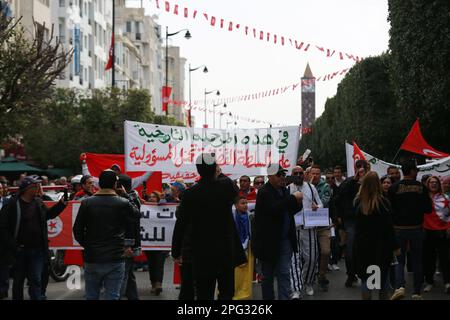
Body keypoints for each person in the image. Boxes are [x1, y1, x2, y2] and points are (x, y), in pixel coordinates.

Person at [172, 153, 246, 300]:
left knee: (204, 293)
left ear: (198, 170)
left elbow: (181, 223)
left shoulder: (190, 194)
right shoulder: (226, 186)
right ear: (215, 169)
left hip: (201, 253)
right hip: (225, 251)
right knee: (226, 292)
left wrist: (176, 251)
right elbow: (234, 189)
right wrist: (217, 171)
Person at [73, 169, 137, 300]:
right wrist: (125, 195)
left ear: (99, 184)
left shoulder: (87, 202)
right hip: (115, 257)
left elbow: (77, 230)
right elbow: (136, 214)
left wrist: (88, 245)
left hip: (92, 257)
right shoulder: (122, 202)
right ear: (115, 184)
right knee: (112, 296)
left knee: (91, 295)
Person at [0, 175, 67, 300]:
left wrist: (61, 205)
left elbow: (48, 215)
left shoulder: (38, 202)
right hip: (19, 251)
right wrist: (12, 245)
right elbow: (2, 227)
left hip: (38, 250)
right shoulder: (12, 204)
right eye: (35, 186)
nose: (38, 188)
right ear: (27, 188)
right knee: (18, 281)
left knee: (36, 279)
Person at [252, 163, 303, 300]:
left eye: (283, 174)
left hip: (285, 239)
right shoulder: (264, 192)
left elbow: (290, 210)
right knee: (267, 276)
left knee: (284, 273)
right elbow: (274, 209)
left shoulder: (284, 190)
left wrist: (298, 202)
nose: (282, 177)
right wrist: (293, 198)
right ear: (270, 176)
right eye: (279, 174)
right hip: (268, 242)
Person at [388, 160, 432, 300]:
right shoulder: (421, 187)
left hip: (398, 229)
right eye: (416, 170)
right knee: (417, 260)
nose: (417, 172)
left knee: (399, 260)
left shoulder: (393, 187)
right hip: (416, 229)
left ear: (402, 171)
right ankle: (417, 292)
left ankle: (400, 287)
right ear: (412, 171)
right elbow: (428, 209)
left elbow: (389, 209)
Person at [353, 172, 400, 300]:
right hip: (381, 246)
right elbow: (388, 228)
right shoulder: (383, 203)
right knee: (382, 278)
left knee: (366, 278)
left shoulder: (358, 203)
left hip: (363, 246)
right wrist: (395, 246)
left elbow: (357, 228)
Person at [335, 159, 370, 287]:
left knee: (370, 250)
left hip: (368, 220)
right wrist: (354, 179)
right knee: (350, 250)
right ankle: (351, 274)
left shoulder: (371, 181)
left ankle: (370, 277)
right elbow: (340, 193)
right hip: (352, 220)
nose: (361, 169)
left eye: (363, 167)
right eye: (358, 167)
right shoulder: (350, 181)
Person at [288, 166, 321, 299]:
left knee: (312, 258)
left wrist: (316, 207)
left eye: (300, 173)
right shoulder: (287, 189)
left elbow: (320, 204)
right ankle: (295, 288)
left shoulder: (311, 188)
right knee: (294, 260)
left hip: (309, 228)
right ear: (291, 175)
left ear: (304, 174)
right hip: (293, 229)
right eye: (295, 173)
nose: (298, 175)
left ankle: (307, 281)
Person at [422, 176, 450, 294]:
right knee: (429, 259)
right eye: (431, 182)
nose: (433, 184)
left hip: (442, 232)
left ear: (439, 184)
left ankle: (447, 282)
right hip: (427, 232)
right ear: (427, 185)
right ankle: (429, 282)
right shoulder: (423, 199)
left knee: (446, 259)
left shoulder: (446, 198)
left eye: (435, 182)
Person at [117, 174, 142, 300]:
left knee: (123, 275)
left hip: (127, 244)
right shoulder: (132, 198)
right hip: (131, 243)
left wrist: (127, 245)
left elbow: (130, 223)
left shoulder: (128, 200)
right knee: (129, 273)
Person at [310, 165, 333, 292]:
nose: (315, 175)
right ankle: (309, 275)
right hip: (308, 226)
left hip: (322, 225)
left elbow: (324, 201)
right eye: (313, 173)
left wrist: (316, 205)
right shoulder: (304, 186)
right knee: (310, 255)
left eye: (318, 173)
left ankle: (322, 275)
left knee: (325, 251)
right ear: (309, 174)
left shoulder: (325, 186)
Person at [232, 196, 254, 300]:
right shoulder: (231, 216)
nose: (245, 205)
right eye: (242, 203)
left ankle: (245, 294)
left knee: (246, 273)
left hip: (248, 248)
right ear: (236, 205)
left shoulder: (250, 216)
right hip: (234, 247)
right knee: (235, 273)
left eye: (246, 203)